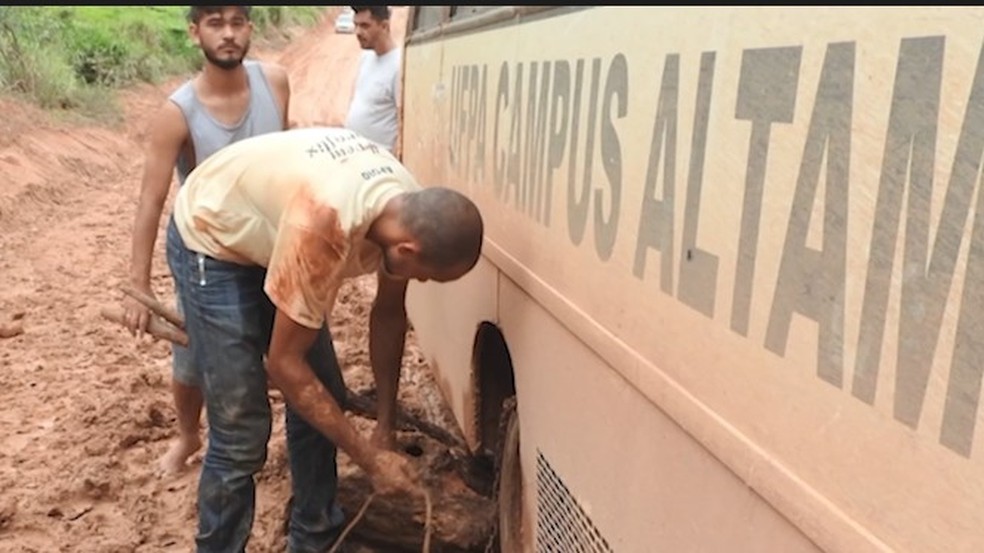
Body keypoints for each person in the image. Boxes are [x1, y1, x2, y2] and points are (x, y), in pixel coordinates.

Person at [165, 126, 484, 552]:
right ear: (408, 252)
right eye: (425, 275)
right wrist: (369, 461)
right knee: (241, 427)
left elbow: (388, 314)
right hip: (215, 233)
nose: (421, 281)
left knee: (325, 394)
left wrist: (384, 427)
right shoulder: (326, 225)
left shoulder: (407, 208)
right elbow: (284, 365)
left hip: (275, 225)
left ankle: (313, 540)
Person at [121, 5, 290, 476]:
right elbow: (151, 201)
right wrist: (139, 289)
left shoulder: (275, 84)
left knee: (288, 347)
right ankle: (189, 435)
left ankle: (300, 440)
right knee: (195, 354)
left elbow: (289, 156)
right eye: (216, 24)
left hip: (270, 241)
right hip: (206, 252)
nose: (229, 34)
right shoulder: (179, 113)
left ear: (251, 28)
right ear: (195, 32)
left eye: (238, 22)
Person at [345, 5, 402, 155]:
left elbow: (403, 125)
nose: (357, 32)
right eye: (355, 25)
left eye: (365, 26)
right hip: (355, 155)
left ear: (384, 26)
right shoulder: (366, 58)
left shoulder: (399, 66)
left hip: (379, 162)